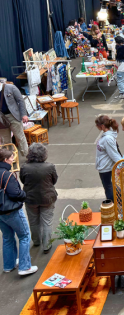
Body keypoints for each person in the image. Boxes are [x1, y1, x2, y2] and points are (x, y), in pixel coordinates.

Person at [0, 148, 37, 276]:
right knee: (24, 236)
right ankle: (25, 267)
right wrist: (23, 194)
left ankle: (9, 265)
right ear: (5, 160)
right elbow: (15, 193)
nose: (13, 160)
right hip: (12, 211)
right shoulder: (7, 175)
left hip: (1, 213)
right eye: (11, 158)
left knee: (7, 237)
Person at [20, 143, 57, 254]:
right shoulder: (50, 166)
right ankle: (47, 245)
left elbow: (23, 180)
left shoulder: (24, 167)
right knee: (47, 221)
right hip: (47, 198)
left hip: (31, 198)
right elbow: (54, 180)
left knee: (33, 221)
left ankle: (36, 241)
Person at [95, 115, 121, 202]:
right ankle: (116, 203)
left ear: (102, 126)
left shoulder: (107, 139)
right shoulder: (107, 136)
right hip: (104, 167)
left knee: (108, 188)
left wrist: (121, 165)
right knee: (110, 187)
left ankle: (112, 206)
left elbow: (114, 154)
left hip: (106, 168)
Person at [0, 83, 29, 157]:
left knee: (20, 137)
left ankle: (27, 156)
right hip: (1, 119)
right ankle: (9, 158)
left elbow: (21, 100)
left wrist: (24, 114)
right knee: (5, 140)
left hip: (13, 116)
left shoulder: (11, 87)